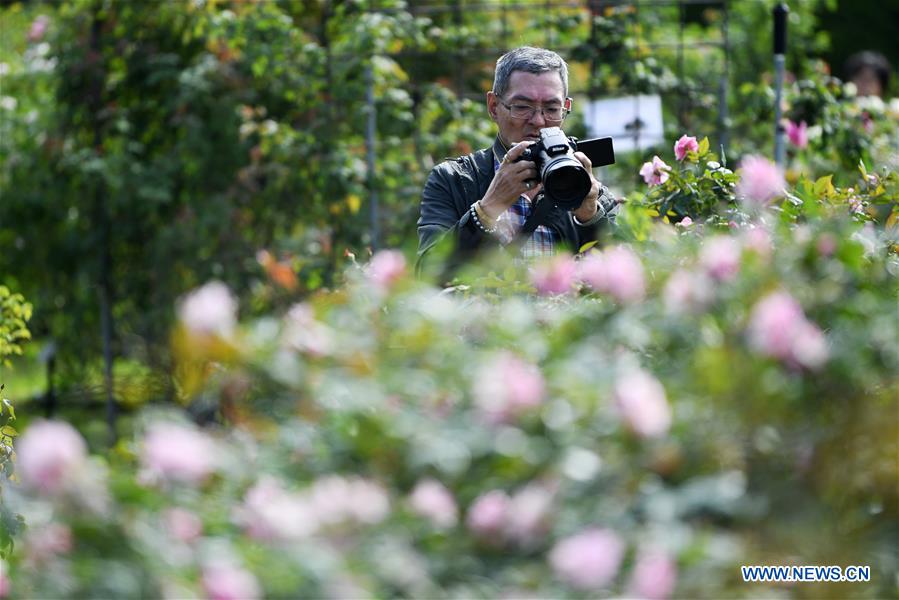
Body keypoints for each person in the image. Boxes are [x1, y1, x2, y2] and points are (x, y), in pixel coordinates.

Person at [417, 46, 618, 268]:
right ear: (494, 107)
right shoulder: (454, 180)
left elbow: (626, 282)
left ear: (566, 108)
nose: (539, 121)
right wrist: (487, 209)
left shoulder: (584, 187)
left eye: (552, 109)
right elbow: (428, 273)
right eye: (523, 107)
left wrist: (590, 218)